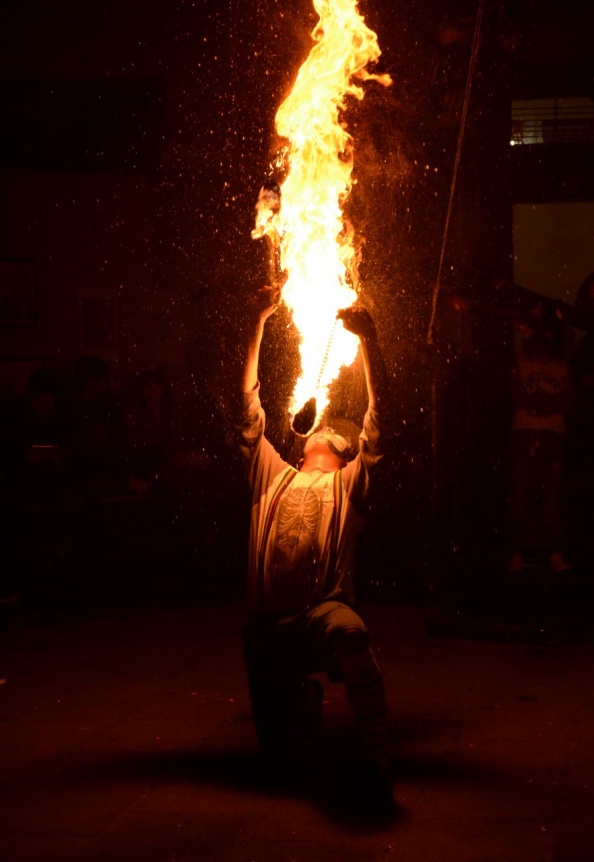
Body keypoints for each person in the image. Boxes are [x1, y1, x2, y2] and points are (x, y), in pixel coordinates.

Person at [231, 284, 394, 813]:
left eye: (332, 432)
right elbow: (245, 405)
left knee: (350, 632)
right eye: (316, 430)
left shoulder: (349, 484)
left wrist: (368, 340)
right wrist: (257, 320)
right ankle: (301, 713)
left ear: (345, 451)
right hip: (265, 625)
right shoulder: (270, 473)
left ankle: (378, 764)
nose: (320, 431)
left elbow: (382, 417)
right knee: (282, 764)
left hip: (322, 612)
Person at [506, 303, 574, 573]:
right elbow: (516, 395)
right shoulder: (520, 365)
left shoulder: (562, 367)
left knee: (551, 499)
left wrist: (543, 404)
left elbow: (568, 402)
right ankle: (517, 553)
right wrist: (546, 404)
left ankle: (553, 552)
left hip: (552, 435)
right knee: (520, 495)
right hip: (524, 433)